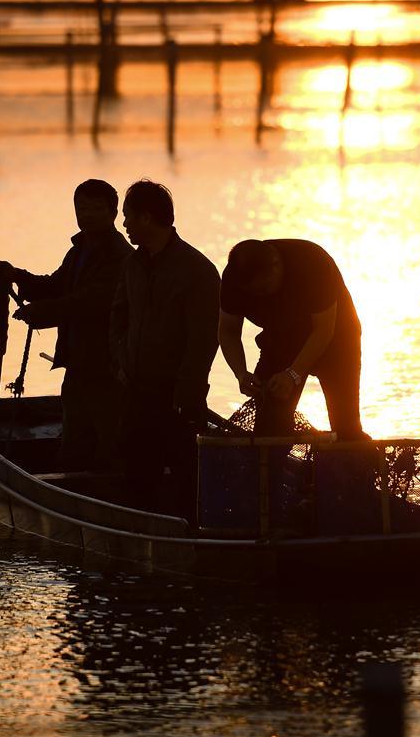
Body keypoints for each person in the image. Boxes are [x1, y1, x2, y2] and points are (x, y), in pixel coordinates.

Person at [0, 179, 132, 470]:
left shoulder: (120, 256)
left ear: (113, 212)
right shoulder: (78, 251)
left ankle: (114, 501)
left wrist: (41, 314)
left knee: (110, 443)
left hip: (107, 367)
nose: (87, 214)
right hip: (77, 365)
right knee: (74, 442)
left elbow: (89, 302)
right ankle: (73, 493)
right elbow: (55, 287)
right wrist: (15, 275)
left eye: (95, 208)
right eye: (81, 208)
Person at [110, 179, 220, 518]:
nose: (124, 225)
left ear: (147, 218)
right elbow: (119, 316)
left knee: (187, 478)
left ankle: (190, 538)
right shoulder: (132, 265)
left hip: (176, 398)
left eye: (128, 217)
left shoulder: (197, 270)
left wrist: (186, 393)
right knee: (136, 476)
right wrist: (122, 360)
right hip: (136, 391)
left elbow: (204, 339)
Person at [218, 238, 367, 440]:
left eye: (263, 290)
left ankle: (353, 466)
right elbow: (228, 330)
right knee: (269, 426)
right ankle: (271, 468)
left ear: (276, 267)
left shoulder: (312, 263)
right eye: (252, 293)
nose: (260, 297)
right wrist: (241, 373)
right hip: (281, 339)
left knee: (345, 426)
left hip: (336, 339)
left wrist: (293, 374)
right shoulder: (234, 280)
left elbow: (324, 330)